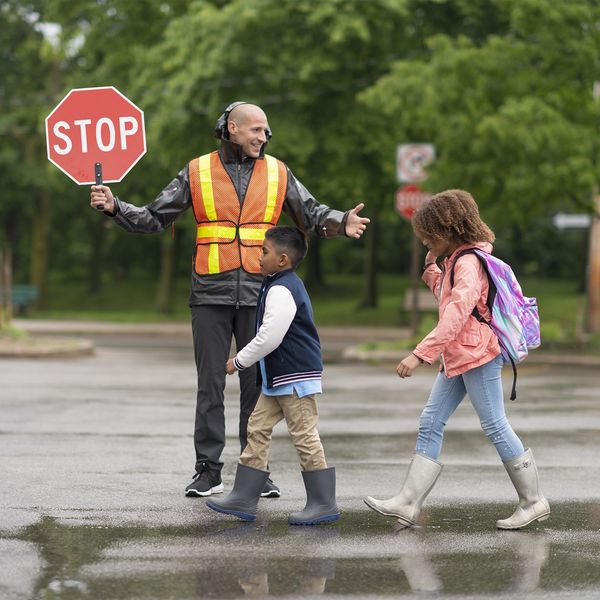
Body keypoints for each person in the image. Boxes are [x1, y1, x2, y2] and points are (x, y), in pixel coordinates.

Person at [89, 101, 369, 499]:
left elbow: (311, 212)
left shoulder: (278, 171)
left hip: (261, 292)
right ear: (231, 128)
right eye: (256, 130)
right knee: (210, 384)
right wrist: (116, 206)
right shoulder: (197, 170)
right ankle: (208, 471)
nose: (264, 137)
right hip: (209, 292)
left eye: (267, 131)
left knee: (259, 385)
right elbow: (154, 217)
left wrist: (342, 221)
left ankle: (257, 471)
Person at [364, 189, 550, 530]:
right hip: (459, 355)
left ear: (446, 232)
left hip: (476, 354)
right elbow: (448, 298)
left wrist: (420, 354)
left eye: (426, 237)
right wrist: (431, 267)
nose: (423, 241)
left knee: (494, 424)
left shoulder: (467, 262)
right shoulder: (458, 261)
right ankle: (407, 503)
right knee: (431, 422)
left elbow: (456, 314)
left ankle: (533, 500)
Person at [206, 226, 340, 525]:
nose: (259, 256)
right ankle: (244, 496)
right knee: (257, 426)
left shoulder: (282, 288)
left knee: (304, 435)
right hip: (279, 378)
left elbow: (271, 336)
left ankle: (323, 502)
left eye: (264, 251)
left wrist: (239, 361)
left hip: (295, 376)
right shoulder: (275, 283)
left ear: (282, 259)